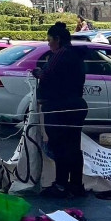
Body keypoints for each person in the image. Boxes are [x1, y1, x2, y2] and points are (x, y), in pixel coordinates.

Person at [33, 22, 87, 199]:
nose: (48, 44)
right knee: (73, 146)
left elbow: (47, 75)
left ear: (57, 39)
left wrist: (38, 72)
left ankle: (62, 184)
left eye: (49, 40)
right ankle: (76, 184)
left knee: (61, 146)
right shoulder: (76, 56)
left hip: (61, 106)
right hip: (75, 104)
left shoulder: (60, 54)